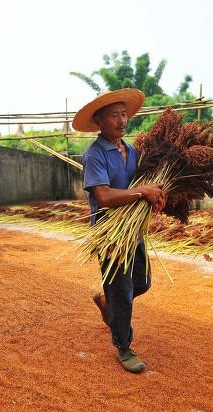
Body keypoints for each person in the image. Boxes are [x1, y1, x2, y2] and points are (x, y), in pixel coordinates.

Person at [73, 89, 167, 374]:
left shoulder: (133, 150)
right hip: (109, 234)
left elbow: (143, 185)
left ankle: (107, 300)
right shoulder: (95, 154)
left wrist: (157, 194)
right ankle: (123, 346)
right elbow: (104, 196)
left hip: (132, 229)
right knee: (124, 290)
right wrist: (143, 192)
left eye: (124, 114)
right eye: (114, 115)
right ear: (99, 121)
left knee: (142, 283)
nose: (121, 120)